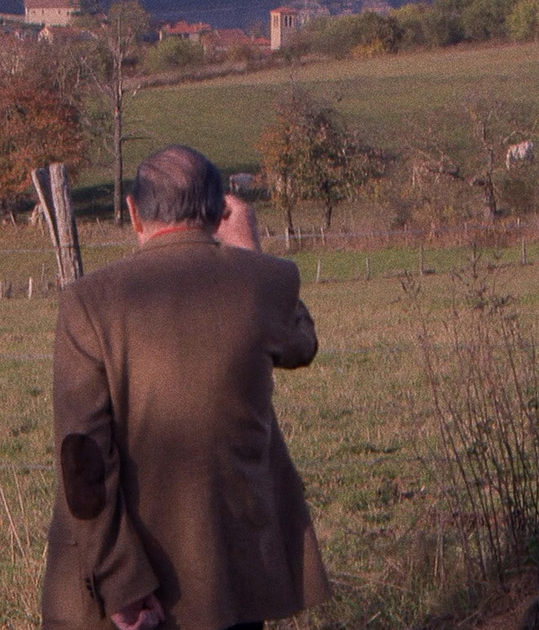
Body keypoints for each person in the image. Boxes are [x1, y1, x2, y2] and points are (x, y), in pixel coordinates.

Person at [42, 145, 329, 630]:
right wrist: (248, 251)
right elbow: (301, 344)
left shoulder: (88, 302)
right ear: (220, 214)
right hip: (232, 574)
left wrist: (121, 583)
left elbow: (83, 458)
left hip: (128, 583)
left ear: (133, 211)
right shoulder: (265, 282)